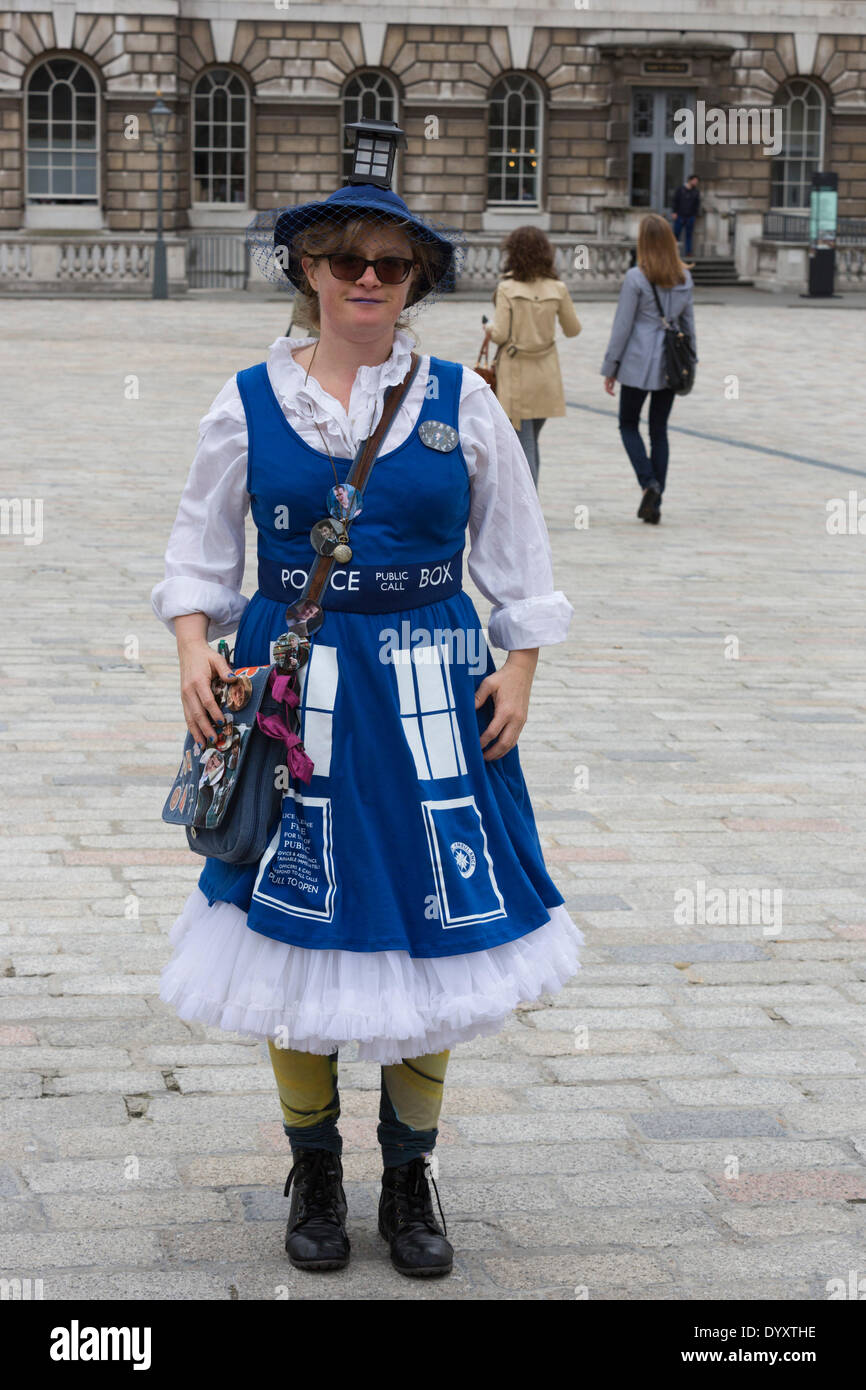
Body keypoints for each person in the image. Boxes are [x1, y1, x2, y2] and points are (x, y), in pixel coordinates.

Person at [151, 148, 583, 1280]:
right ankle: (313, 1168)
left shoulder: (463, 401)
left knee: (431, 922)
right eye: (344, 259)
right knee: (294, 926)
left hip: (435, 689)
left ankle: (406, 1173)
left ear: (413, 282)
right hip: (293, 691)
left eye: (391, 264)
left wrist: (522, 668)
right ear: (304, 266)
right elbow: (199, 551)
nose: (367, 278)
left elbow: (517, 557)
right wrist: (195, 651)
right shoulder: (247, 403)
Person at [600, 212, 697, 524]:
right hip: (670, 363)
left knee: (628, 424)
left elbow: (622, 327)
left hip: (637, 363)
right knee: (659, 430)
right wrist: (690, 361)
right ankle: (656, 500)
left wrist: (610, 366)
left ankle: (649, 483)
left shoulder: (636, 278)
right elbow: (688, 325)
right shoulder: (684, 278)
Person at [481, 225, 581, 488]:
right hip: (546, 374)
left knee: (523, 448)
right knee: (531, 442)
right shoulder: (557, 288)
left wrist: (488, 327)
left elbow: (501, 335)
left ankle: (528, 507)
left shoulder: (507, 288)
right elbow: (573, 330)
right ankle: (529, 503)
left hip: (516, 376)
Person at [671, 174, 700, 258]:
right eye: (694, 180)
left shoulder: (696, 192)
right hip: (680, 215)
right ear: (690, 180)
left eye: (697, 181)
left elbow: (697, 204)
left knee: (689, 235)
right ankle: (673, 252)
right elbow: (675, 201)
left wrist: (694, 214)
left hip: (690, 216)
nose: (696, 182)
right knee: (676, 235)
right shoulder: (680, 190)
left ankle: (688, 253)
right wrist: (674, 212)